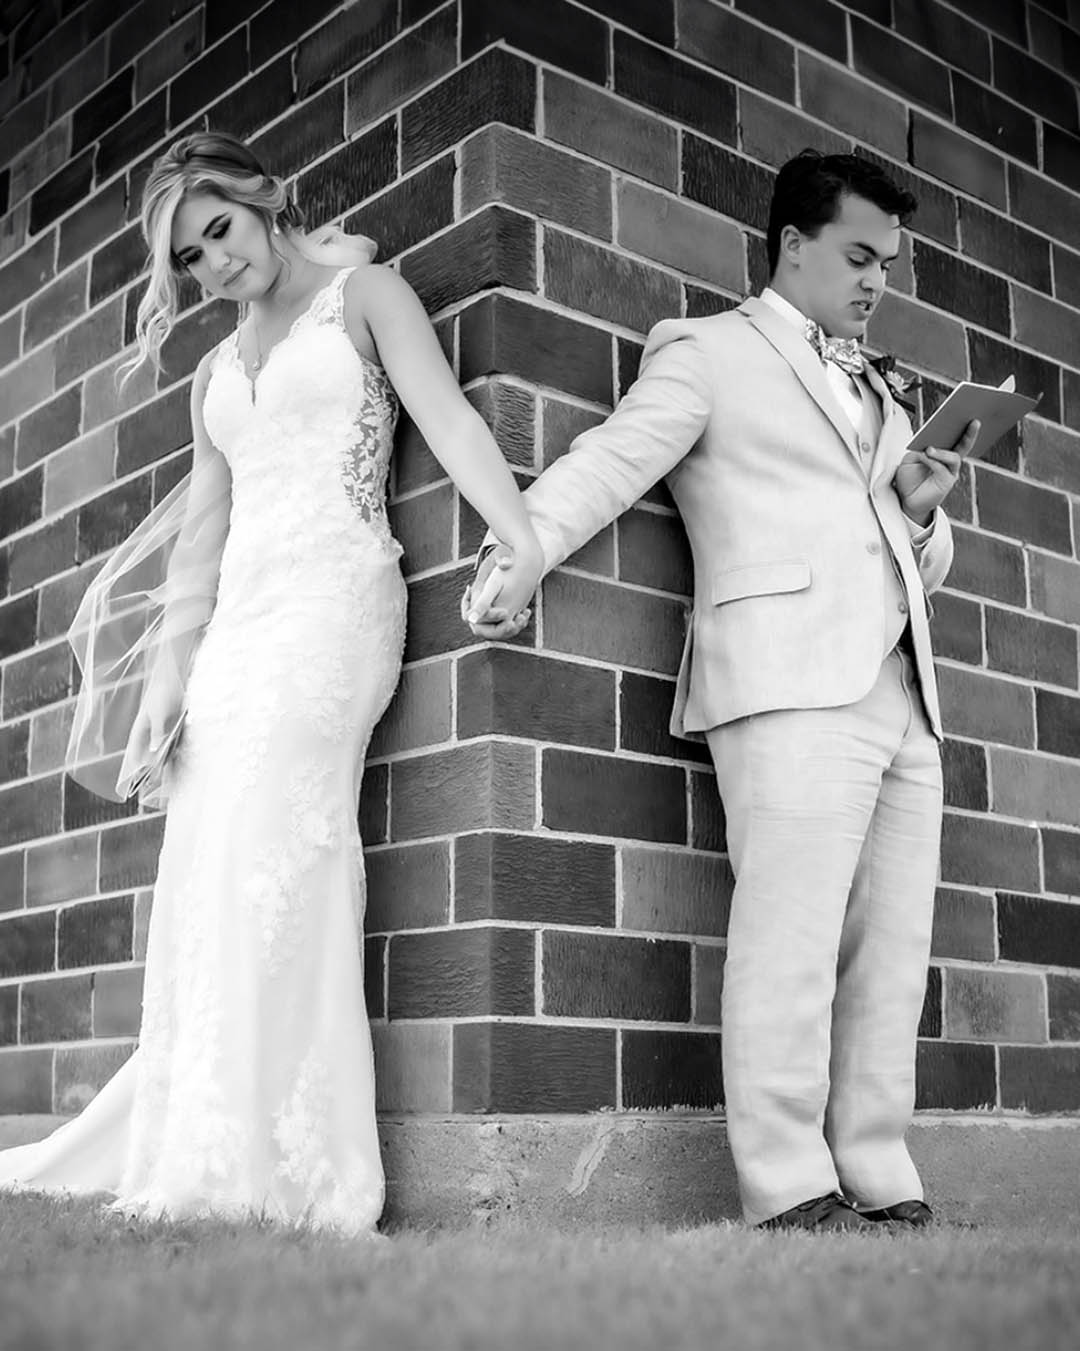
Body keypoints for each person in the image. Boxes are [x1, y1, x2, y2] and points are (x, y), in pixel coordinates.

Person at [0, 131, 541, 1234]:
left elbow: (445, 417)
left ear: (263, 203)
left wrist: (520, 535)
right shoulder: (213, 375)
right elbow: (199, 552)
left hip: (333, 611)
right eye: (190, 257)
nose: (213, 262)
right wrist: (163, 691)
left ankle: (294, 1165)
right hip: (236, 638)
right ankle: (208, 1138)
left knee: (276, 854)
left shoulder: (368, 297)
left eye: (220, 230)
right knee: (208, 867)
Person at [464, 150, 978, 1232]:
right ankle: (788, 1183)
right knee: (789, 938)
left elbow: (917, 565)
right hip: (788, 680)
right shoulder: (707, 351)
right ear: (792, 243)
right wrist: (518, 552)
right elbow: (614, 458)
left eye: (889, 260)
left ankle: (880, 1167)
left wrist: (924, 512)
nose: (879, 278)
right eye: (859, 254)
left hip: (902, 690)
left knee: (892, 952)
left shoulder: (883, 384)